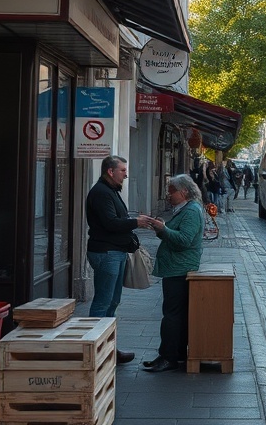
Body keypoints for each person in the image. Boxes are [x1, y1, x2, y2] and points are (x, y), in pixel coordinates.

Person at [85, 155, 151, 365]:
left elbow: (116, 220)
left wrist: (133, 221)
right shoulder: (101, 192)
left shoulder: (110, 190)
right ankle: (93, 350)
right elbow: (110, 223)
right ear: (110, 171)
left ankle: (108, 347)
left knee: (113, 301)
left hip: (116, 252)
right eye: (122, 170)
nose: (126, 174)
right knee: (103, 302)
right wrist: (135, 222)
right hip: (107, 253)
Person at [140, 173, 204, 373]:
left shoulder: (192, 211)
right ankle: (174, 354)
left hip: (180, 268)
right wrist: (160, 229)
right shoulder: (184, 209)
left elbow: (184, 240)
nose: (168, 195)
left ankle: (168, 357)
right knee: (175, 314)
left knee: (172, 315)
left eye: (171, 191)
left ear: (183, 192)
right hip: (176, 268)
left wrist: (163, 229)